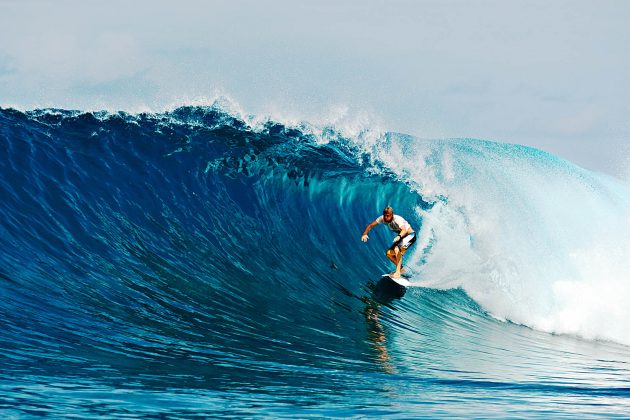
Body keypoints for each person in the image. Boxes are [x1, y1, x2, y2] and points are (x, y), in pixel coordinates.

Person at [361, 206, 416, 278]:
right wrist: (365, 234)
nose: (386, 218)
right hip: (402, 237)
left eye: (388, 216)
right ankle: (401, 269)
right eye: (385, 216)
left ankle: (398, 272)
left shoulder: (397, 219)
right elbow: (371, 225)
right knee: (389, 254)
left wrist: (399, 236)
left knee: (397, 249)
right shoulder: (382, 219)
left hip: (410, 235)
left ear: (392, 215)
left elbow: (404, 230)